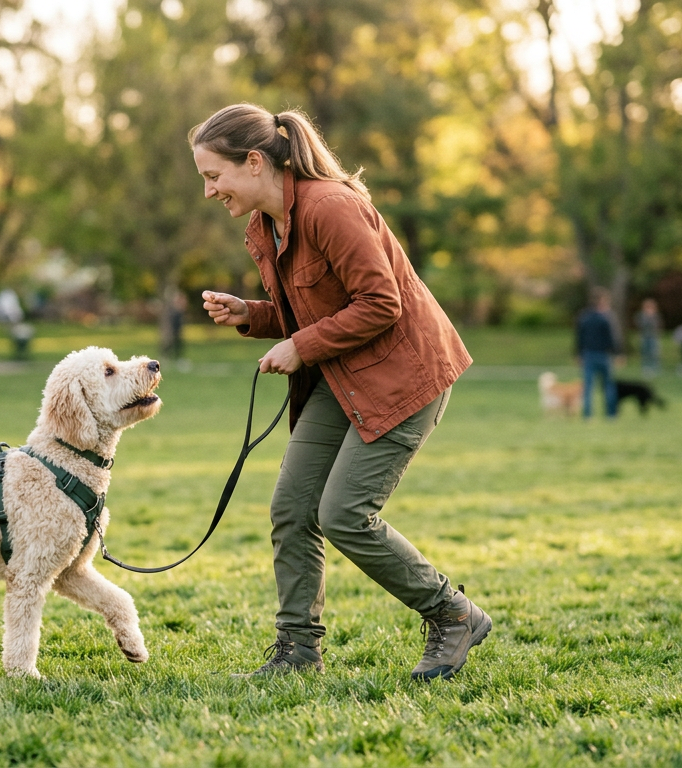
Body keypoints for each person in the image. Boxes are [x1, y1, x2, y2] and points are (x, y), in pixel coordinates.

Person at [193, 104, 490, 681]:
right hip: (341, 375)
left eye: (213, 176)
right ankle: (298, 652)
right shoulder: (264, 226)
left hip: (406, 375)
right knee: (293, 506)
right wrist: (251, 315)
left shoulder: (331, 207)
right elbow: (313, 307)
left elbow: (382, 303)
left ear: (254, 162)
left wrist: (301, 347)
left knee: (345, 513)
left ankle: (453, 614)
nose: (209, 192)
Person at [574, 287, 622, 419]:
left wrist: (578, 353)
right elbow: (613, 337)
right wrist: (618, 353)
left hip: (588, 354)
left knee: (588, 387)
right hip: (603, 355)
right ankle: (611, 414)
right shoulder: (607, 318)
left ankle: (588, 415)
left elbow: (579, 337)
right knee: (608, 386)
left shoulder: (584, 317)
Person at [635, 298, 661, 377]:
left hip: (653, 337)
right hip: (645, 337)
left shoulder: (655, 316)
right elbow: (640, 325)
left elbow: (657, 326)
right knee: (645, 353)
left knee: (653, 353)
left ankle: (654, 368)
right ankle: (646, 368)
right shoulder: (642, 316)